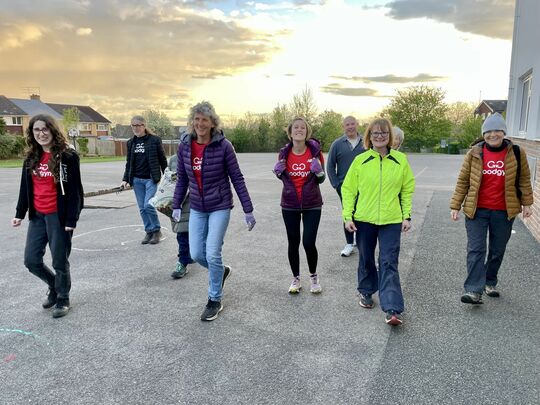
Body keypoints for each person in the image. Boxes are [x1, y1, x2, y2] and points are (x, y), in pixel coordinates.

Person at [171, 101, 256, 321]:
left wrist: (248, 209)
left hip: (219, 206)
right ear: (192, 122)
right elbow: (182, 178)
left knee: (212, 253)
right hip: (198, 207)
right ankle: (221, 271)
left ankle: (214, 299)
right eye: (197, 119)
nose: (200, 123)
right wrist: (176, 204)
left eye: (204, 120)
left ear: (212, 123)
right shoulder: (185, 146)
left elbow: (236, 178)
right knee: (196, 254)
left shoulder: (224, 146)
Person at [450, 113, 533, 304]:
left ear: (504, 132)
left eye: (497, 130)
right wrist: (455, 205)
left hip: (504, 211)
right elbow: (463, 181)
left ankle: (489, 281)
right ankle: (473, 290)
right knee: (476, 249)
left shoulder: (517, 153)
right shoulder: (474, 153)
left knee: (497, 250)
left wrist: (527, 203)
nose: (492, 134)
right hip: (476, 210)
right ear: (483, 134)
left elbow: (524, 179)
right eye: (488, 131)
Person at [341, 118, 415, 326]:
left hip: (391, 220)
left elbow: (407, 189)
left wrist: (406, 215)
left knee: (388, 261)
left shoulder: (400, 160)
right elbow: (348, 190)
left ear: (390, 136)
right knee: (365, 257)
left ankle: (392, 308)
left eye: (383, 133)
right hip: (364, 219)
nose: (379, 136)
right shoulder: (361, 161)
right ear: (369, 137)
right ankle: (366, 291)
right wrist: (348, 216)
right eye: (375, 133)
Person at [11, 114, 84, 318]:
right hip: (38, 216)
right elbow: (25, 187)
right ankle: (54, 286)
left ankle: (63, 298)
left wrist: (71, 219)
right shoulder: (31, 156)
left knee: (59, 260)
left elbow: (75, 191)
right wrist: (19, 213)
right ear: (32, 133)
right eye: (36, 130)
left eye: (45, 129)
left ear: (52, 130)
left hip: (57, 217)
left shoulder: (67, 156)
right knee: (31, 260)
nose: (41, 134)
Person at [273, 117, 325, 294]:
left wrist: (318, 172)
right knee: (293, 242)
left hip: (312, 203)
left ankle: (313, 277)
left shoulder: (316, 152)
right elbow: (283, 177)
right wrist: (278, 174)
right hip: (289, 203)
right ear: (290, 132)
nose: (299, 130)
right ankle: (296, 279)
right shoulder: (284, 153)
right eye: (296, 127)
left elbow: (322, 178)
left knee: (309, 242)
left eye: (303, 127)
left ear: (307, 131)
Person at [121, 115, 167, 245]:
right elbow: (128, 162)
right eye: (133, 125)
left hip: (151, 179)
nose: (135, 128)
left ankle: (157, 230)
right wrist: (125, 179)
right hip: (136, 180)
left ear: (144, 125)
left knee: (148, 205)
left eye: (138, 125)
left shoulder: (154, 140)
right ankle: (149, 231)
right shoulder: (131, 142)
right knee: (142, 208)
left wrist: (167, 176)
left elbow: (162, 159)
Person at [326, 116, 365, 257]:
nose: (350, 127)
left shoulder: (366, 142)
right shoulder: (337, 144)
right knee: (347, 214)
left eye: (352, 124)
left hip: (365, 187)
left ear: (357, 124)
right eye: (347, 124)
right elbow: (330, 166)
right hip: (345, 188)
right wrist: (336, 185)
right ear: (344, 127)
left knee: (362, 215)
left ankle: (361, 244)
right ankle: (349, 244)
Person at [167, 154, 194, 279]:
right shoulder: (173, 159)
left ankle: (193, 255)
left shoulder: (200, 154)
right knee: (182, 234)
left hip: (194, 201)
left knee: (194, 234)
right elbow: (168, 179)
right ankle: (183, 262)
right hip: (178, 202)